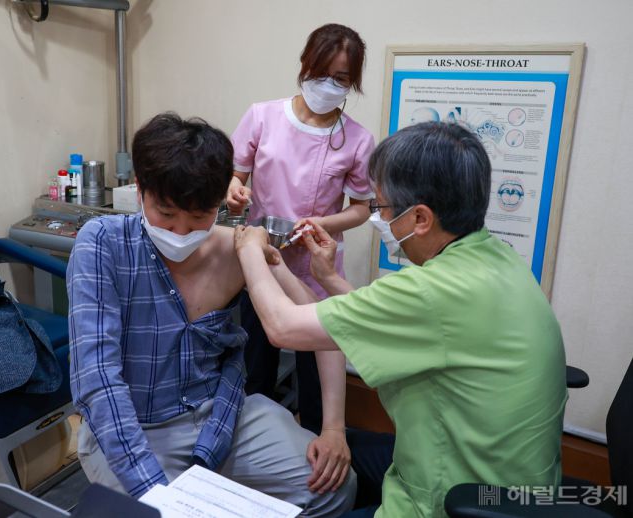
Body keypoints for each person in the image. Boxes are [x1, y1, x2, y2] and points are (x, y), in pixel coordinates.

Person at [234, 121, 568, 517]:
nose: (380, 219)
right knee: (330, 450)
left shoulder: (431, 291)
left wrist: (250, 248)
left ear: (421, 218)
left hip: (457, 500)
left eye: (380, 208)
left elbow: (283, 327)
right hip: (514, 484)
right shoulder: (495, 258)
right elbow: (362, 320)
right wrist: (321, 276)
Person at [67, 112, 356, 516]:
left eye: (199, 217)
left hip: (220, 414)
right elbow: (97, 380)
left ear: (220, 202)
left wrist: (334, 429)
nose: (181, 231)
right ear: (140, 189)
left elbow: (323, 325)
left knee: (333, 487)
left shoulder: (238, 248)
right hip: (133, 424)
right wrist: (158, 496)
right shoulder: (101, 244)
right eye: (166, 214)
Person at [226, 23, 375, 433]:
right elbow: (235, 177)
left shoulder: (357, 140)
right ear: (305, 65)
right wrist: (234, 192)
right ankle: (255, 440)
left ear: (352, 82)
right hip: (262, 260)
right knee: (256, 365)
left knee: (318, 374)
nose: (328, 85)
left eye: (340, 78)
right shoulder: (263, 116)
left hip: (316, 267)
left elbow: (361, 210)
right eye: (321, 72)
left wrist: (322, 222)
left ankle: (317, 440)